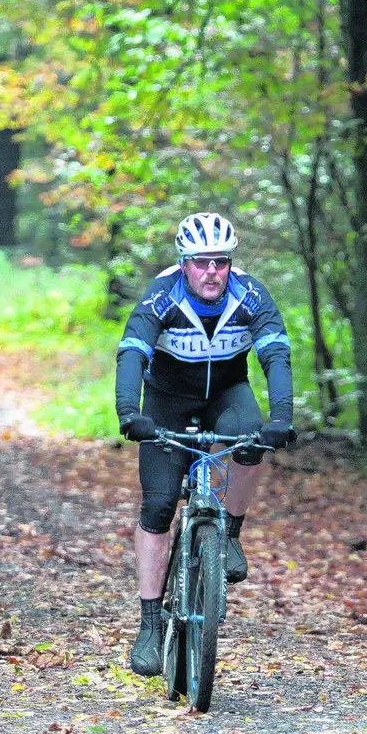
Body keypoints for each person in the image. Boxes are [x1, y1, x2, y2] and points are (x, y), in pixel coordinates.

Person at [115, 212, 295, 676]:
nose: (211, 271)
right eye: (201, 262)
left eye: (220, 261)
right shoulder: (162, 295)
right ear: (184, 264)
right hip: (166, 400)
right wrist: (128, 413)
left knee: (253, 437)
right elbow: (132, 352)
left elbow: (275, 354)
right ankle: (151, 624)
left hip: (227, 394)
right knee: (157, 506)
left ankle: (230, 533)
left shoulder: (250, 295)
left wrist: (282, 418)